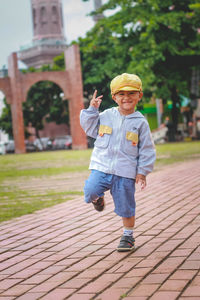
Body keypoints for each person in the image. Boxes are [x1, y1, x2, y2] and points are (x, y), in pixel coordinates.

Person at [80, 73, 156, 252]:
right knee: (89, 191)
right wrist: (92, 110)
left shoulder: (140, 123)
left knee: (126, 206)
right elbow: (89, 128)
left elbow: (146, 149)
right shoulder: (105, 115)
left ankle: (128, 236)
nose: (126, 98)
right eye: (121, 94)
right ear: (114, 97)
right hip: (102, 167)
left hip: (125, 172)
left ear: (139, 95)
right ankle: (98, 199)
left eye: (131, 93)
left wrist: (142, 171)